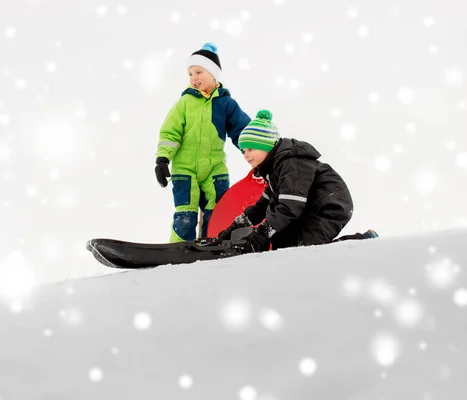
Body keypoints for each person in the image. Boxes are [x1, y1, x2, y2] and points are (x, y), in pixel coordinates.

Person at [218, 109, 378, 253]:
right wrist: (235, 226)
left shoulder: (290, 164)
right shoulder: (273, 171)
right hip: (306, 208)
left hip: (327, 205)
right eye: (243, 151)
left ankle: (363, 241)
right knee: (282, 246)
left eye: (250, 149)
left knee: (306, 251)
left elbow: (289, 207)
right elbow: (262, 207)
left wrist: (262, 233)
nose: (245, 155)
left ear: (266, 147)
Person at [155, 42, 251, 242]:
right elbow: (170, 133)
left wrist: (259, 150)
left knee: (218, 212)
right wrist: (162, 159)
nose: (193, 78)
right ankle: (180, 248)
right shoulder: (184, 104)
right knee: (186, 215)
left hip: (215, 169)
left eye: (198, 72)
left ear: (214, 74)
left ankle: (213, 242)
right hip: (185, 169)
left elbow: (242, 131)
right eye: (190, 74)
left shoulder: (226, 104)